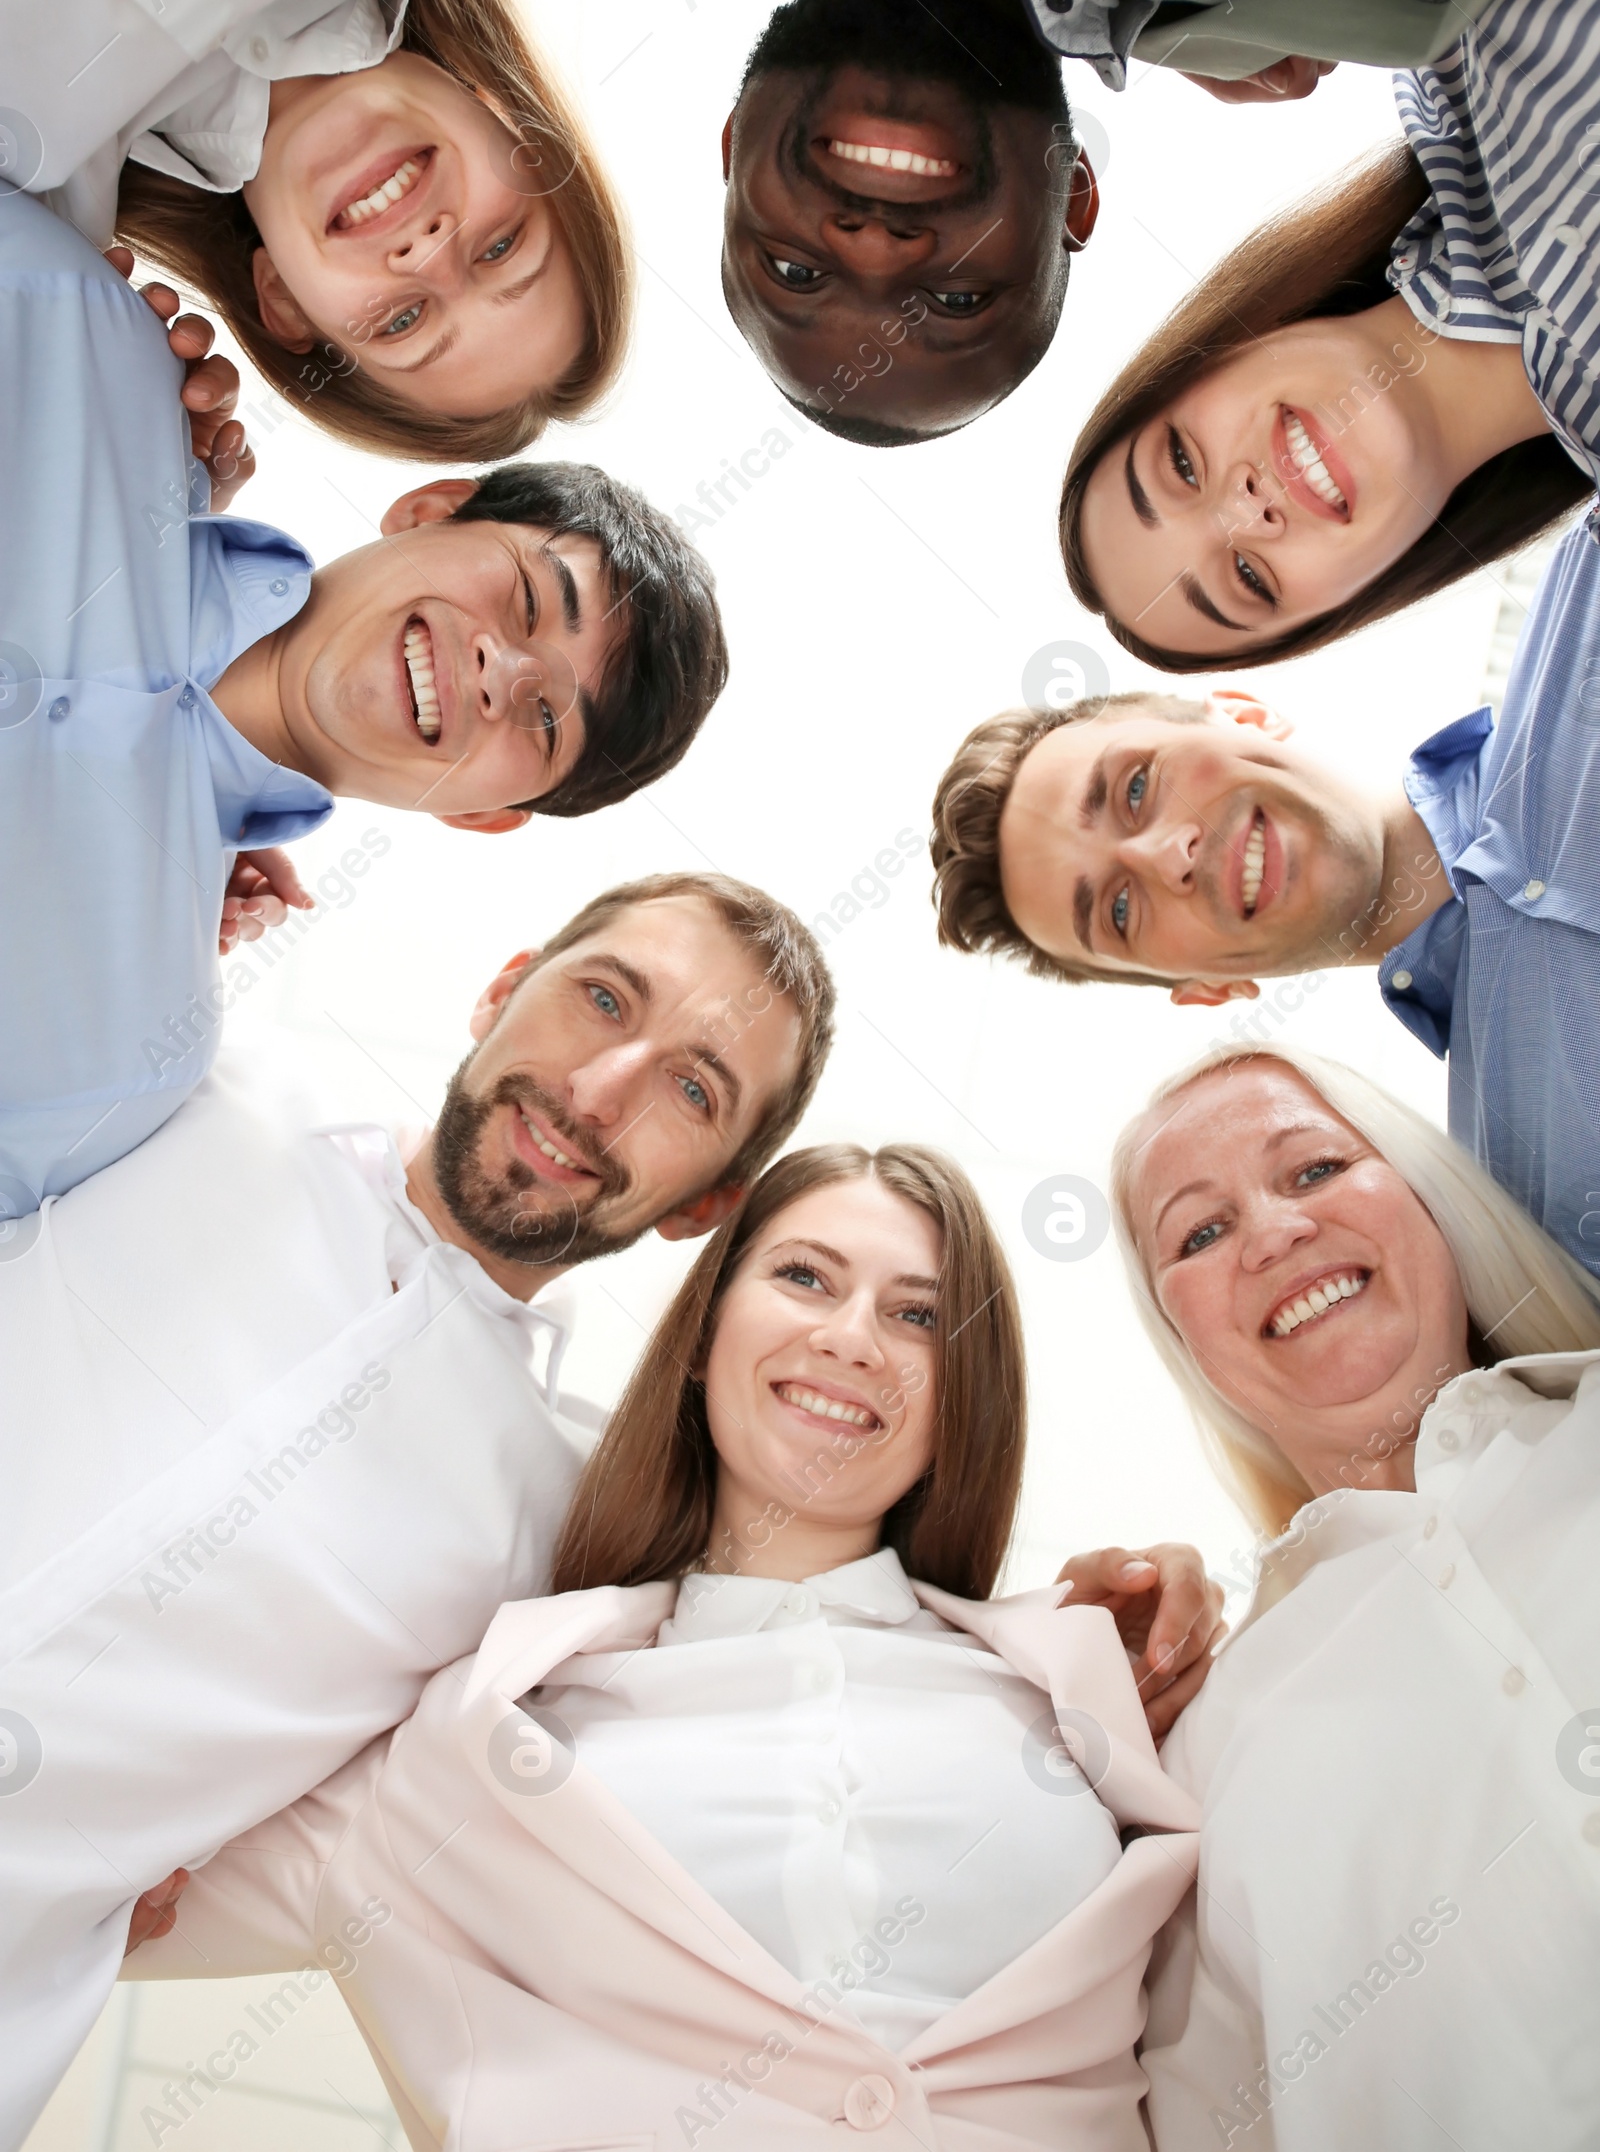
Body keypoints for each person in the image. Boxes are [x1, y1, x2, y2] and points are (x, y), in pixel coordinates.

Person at [125, 1143, 1208, 2147]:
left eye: (917, 1316)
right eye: (805, 1278)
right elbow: (90, 1875)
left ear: (961, 1400)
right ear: (700, 1340)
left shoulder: (1079, 1693)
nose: (851, 1338)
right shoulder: (475, 1742)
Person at [0, 872, 832, 2147]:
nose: (602, 1092)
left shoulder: (553, 1541)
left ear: (705, 1204)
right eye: (602, 997)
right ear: (505, 989)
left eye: (692, 1089)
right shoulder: (189, 1091)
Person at [296, 0, 1556, 444]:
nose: (876, 249)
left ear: (734, 150)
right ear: (1074, 197)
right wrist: (1232, 3)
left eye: (793, 274)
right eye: (956, 297)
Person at [0, 186, 724, 1213]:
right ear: (429, 509)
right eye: (526, 599)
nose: (501, 672)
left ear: (479, 812)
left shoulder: (130, 1056)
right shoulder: (79, 344)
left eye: (546, 719)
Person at [1106, 1044, 1600, 2151]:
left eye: (1314, 1170)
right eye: (1198, 1232)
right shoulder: (1197, 1767)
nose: (1275, 1233)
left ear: (1423, 1193)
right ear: (1183, 1340)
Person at [929, 529, 1600, 1280]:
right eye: (1118, 912)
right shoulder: (1535, 1222)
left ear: (1245, 713)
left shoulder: (1589, 599)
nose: (1163, 857)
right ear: (1208, 991)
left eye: (1137, 789)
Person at [5, 0, 628, 460]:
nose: (429, 252)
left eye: (402, 322)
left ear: (284, 304)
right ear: (515, 126)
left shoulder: (36, 194)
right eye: (501, 247)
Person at [1059, 0, 1600, 669]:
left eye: (1180, 464)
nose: (1243, 510)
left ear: (1205, 356)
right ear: (1357, 596)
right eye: (1246, 577)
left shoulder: (1446, 24)